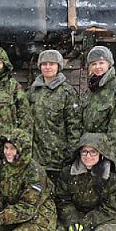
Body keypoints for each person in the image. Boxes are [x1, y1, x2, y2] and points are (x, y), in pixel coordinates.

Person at [54, 133, 116, 231]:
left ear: (101, 154)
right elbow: (62, 200)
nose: (88, 156)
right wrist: (73, 220)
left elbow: (110, 208)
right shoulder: (68, 172)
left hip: (104, 218)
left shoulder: (112, 177)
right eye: (84, 151)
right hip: (76, 215)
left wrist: (84, 223)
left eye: (93, 152)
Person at [27, 50, 82, 182]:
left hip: (58, 157)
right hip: (36, 156)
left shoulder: (67, 92)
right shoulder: (32, 92)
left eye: (52, 64)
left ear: (58, 66)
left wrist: (71, 154)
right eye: (44, 64)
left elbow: (74, 126)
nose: (47, 67)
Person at [81, 46, 116, 168]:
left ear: (109, 65)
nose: (98, 67)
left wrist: (105, 157)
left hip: (107, 158)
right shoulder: (91, 91)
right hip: (88, 156)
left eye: (101, 63)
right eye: (94, 64)